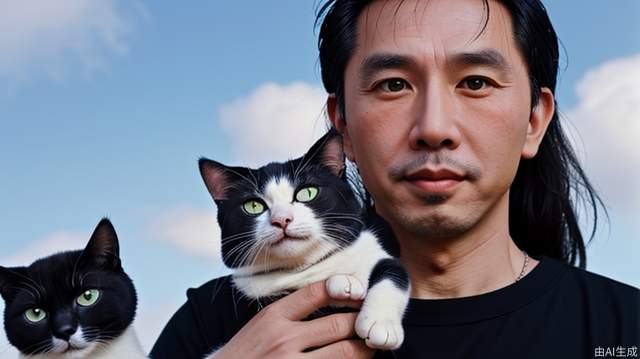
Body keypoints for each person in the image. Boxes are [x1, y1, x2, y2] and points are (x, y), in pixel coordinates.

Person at [151, 1, 639, 358]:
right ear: (342, 125)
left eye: (475, 83)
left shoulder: (624, 330)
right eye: (392, 85)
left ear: (534, 121)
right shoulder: (213, 323)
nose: (433, 128)